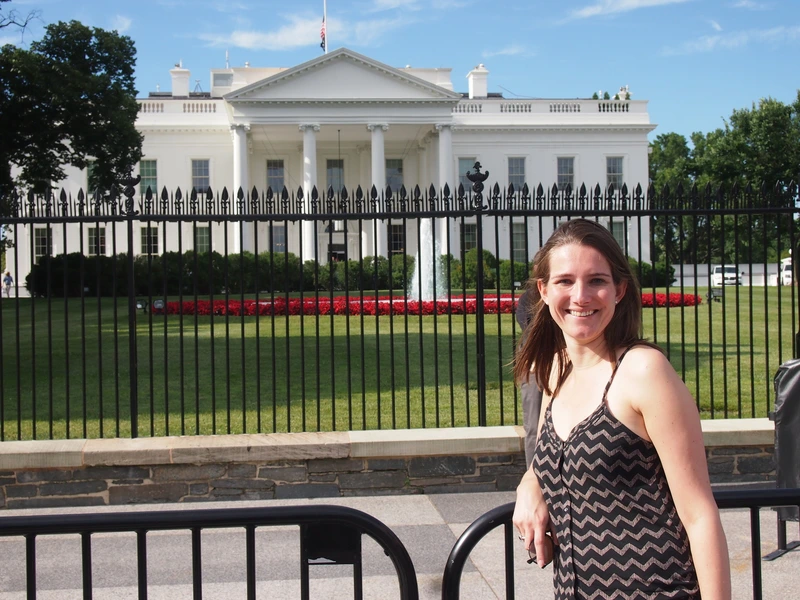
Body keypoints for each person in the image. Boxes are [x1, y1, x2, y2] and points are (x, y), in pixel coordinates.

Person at [512, 219, 730, 599]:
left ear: (619, 290)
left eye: (596, 280)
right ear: (544, 291)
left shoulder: (643, 371)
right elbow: (553, 455)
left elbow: (699, 516)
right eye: (565, 281)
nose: (581, 296)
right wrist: (530, 484)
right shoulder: (555, 370)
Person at [515, 287, 544, 467]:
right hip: (537, 364)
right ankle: (535, 478)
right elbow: (530, 328)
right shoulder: (530, 298)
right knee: (535, 426)